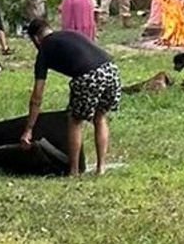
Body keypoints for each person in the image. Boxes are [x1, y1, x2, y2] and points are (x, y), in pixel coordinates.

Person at [20, 19, 120, 176]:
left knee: (74, 121)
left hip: (88, 75)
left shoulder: (44, 50)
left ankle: (73, 171)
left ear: (35, 38)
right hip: (110, 69)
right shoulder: (68, 33)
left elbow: (37, 96)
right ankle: (101, 167)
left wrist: (29, 129)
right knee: (100, 118)